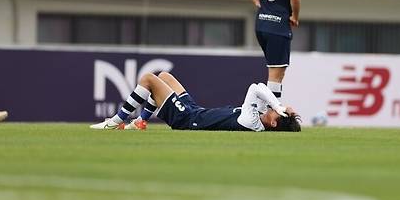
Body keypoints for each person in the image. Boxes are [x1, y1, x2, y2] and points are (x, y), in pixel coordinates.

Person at [90, 71, 301, 132]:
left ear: (274, 122)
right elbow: (261, 88)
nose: (278, 109)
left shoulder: (251, 121)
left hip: (187, 119)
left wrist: (278, 106)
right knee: (164, 76)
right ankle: (140, 122)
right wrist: (278, 106)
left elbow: (254, 88)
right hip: (195, 111)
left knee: (148, 79)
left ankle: (115, 122)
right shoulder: (263, 115)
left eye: (281, 113)